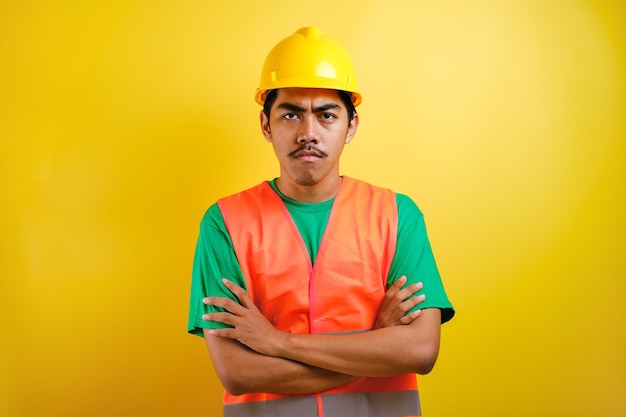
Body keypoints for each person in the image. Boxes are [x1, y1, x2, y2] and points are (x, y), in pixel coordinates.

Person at [188, 27, 455, 417]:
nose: (308, 133)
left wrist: (274, 341)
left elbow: (420, 351)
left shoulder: (398, 215)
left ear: (351, 126)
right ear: (266, 125)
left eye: (326, 115)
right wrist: (376, 345)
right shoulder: (224, 223)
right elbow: (238, 372)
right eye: (291, 114)